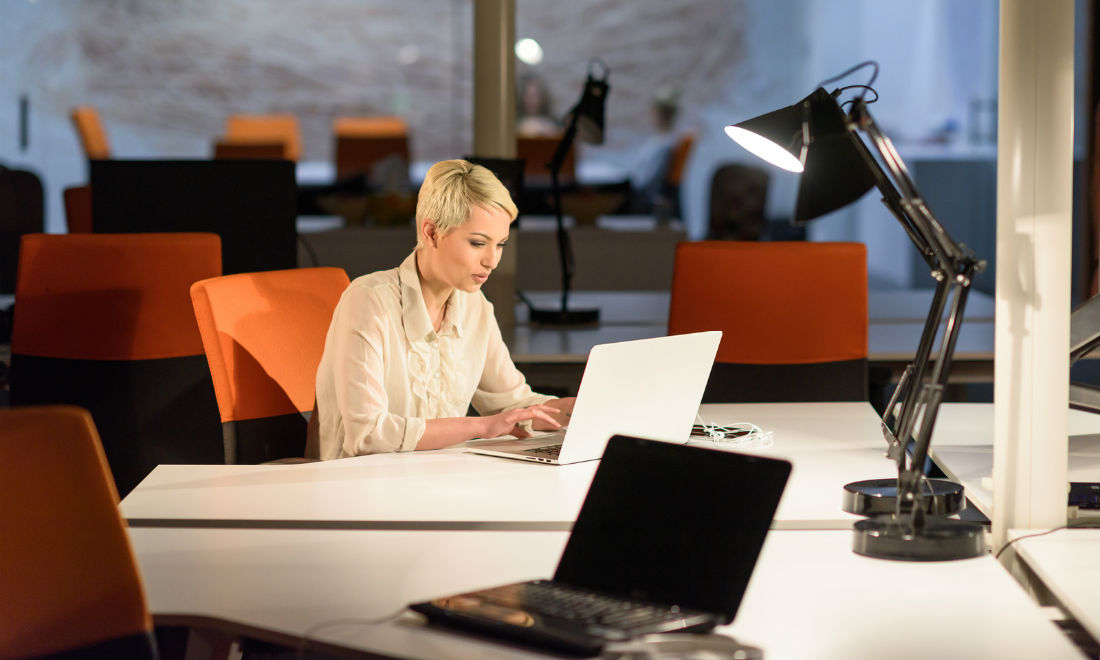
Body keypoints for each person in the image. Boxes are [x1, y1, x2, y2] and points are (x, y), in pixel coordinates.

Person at [312, 159, 575, 460]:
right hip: (354, 481)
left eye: (500, 244)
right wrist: (480, 426)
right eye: (478, 243)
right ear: (431, 233)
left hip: (434, 477)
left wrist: (580, 409)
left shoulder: (475, 307)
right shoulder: (369, 301)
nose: (492, 261)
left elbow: (513, 405)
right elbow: (368, 434)